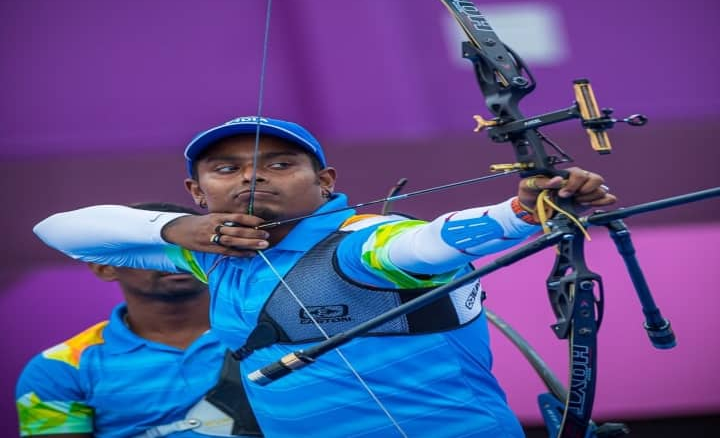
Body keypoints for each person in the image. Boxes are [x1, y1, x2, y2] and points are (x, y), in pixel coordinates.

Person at [33, 116, 616, 438]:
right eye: (226, 168)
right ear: (197, 191)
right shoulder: (210, 254)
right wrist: (178, 231)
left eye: (281, 164)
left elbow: (430, 240)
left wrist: (518, 213)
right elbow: (59, 228)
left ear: (327, 181)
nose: (253, 178)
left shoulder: (367, 242)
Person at [17, 203, 260, 438]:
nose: (171, 260)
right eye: (150, 250)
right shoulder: (59, 367)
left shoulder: (276, 333)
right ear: (105, 268)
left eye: (188, 248)